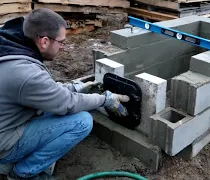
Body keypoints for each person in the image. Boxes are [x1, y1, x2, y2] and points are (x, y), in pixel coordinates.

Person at [0, 8, 130, 180]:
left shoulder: (12, 46)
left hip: (6, 119)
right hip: (4, 140)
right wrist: (105, 99)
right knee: (82, 121)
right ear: (44, 41)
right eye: (61, 42)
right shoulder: (26, 73)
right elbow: (67, 104)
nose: (63, 47)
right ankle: (23, 173)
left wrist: (76, 87)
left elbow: (43, 92)